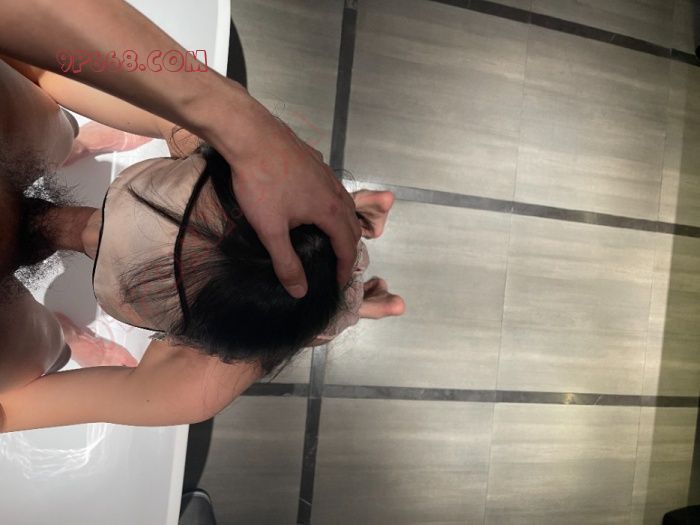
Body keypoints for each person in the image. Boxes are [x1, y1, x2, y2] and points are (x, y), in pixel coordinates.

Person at [0, 58, 405, 433]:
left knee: (47, 109)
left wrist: (219, 118)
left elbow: (46, 58)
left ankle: (347, 258)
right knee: (47, 347)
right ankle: (345, 291)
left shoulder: (191, 386)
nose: (89, 233)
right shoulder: (191, 385)